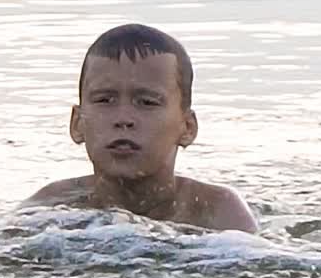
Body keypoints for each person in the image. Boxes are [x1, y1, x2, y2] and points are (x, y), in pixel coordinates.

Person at [25, 23, 258, 232]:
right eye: (105, 100)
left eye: (147, 102)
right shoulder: (50, 209)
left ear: (187, 127)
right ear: (77, 124)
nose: (123, 119)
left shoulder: (217, 212)